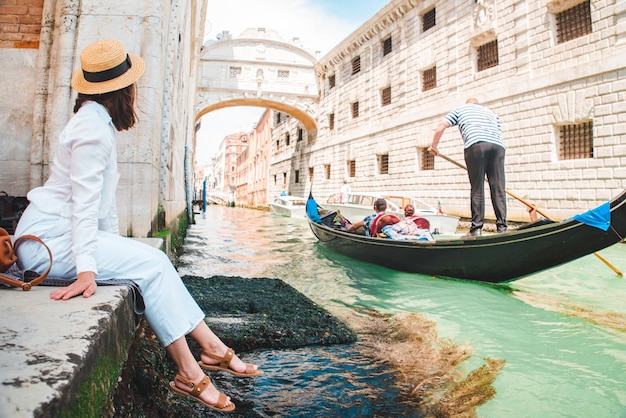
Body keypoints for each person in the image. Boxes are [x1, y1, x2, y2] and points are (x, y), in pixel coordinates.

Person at [13, 39, 261, 413]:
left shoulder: (96, 122)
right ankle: (193, 370)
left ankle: (207, 351)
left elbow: (102, 206)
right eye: (133, 83)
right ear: (123, 89)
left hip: (58, 235)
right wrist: (87, 271)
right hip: (45, 244)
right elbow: (83, 205)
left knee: (145, 262)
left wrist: (115, 251)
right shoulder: (92, 130)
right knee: (153, 264)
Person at [429, 98, 507, 236]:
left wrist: (434, 145)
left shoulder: (461, 109)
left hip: (476, 145)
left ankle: (476, 229)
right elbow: (498, 132)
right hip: (498, 147)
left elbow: (442, 125)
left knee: (477, 188)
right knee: (498, 188)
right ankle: (502, 228)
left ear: (468, 103)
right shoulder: (491, 113)